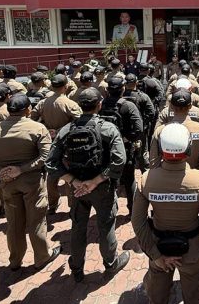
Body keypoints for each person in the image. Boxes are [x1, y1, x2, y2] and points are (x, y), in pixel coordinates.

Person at [131, 123, 199, 304]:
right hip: (192, 248)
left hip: (159, 245)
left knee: (158, 295)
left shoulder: (146, 180)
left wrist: (156, 256)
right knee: (194, 295)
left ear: (161, 150)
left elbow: (138, 222)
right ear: (188, 149)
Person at [46, 88, 130, 282]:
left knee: (78, 227)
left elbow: (51, 163)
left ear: (79, 105)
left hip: (77, 189)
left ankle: (77, 268)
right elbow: (119, 160)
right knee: (106, 226)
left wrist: (74, 182)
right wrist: (95, 181)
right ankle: (111, 264)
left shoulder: (66, 130)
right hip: (102, 187)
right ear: (99, 104)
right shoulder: (108, 128)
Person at [0, 95, 61, 271]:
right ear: (28, 109)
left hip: (7, 182)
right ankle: (42, 256)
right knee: (36, 220)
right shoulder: (37, 128)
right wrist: (22, 169)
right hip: (32, 182)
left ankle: (15, 260)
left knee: (14, 223)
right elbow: (46, 156)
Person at [31, 74, 82, 214]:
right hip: (67, 143)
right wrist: (60, 130)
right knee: (69, 175)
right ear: (66, 86)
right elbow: (79, 122)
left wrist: (47, 130)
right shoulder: (70, 104)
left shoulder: (43, 103)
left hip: (49, 143)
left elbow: (32, 119)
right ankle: (72, 204)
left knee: (52, 173)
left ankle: (53, 204)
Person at [100, 77, 143, 216]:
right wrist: (125, 139)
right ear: (123, 89)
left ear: (108, 90)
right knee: (129, 179)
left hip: (105, 148)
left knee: (108, 179)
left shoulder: (101, 104)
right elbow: (139, 129)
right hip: (124, 148)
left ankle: (109, 211)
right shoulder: (128, 105)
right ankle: (132, 210)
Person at [150, 90, 199, 174]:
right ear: (190, 106)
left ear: (171, 106)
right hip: (193, 178)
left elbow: (154, 162)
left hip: (166, 176)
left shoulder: (160, 131)